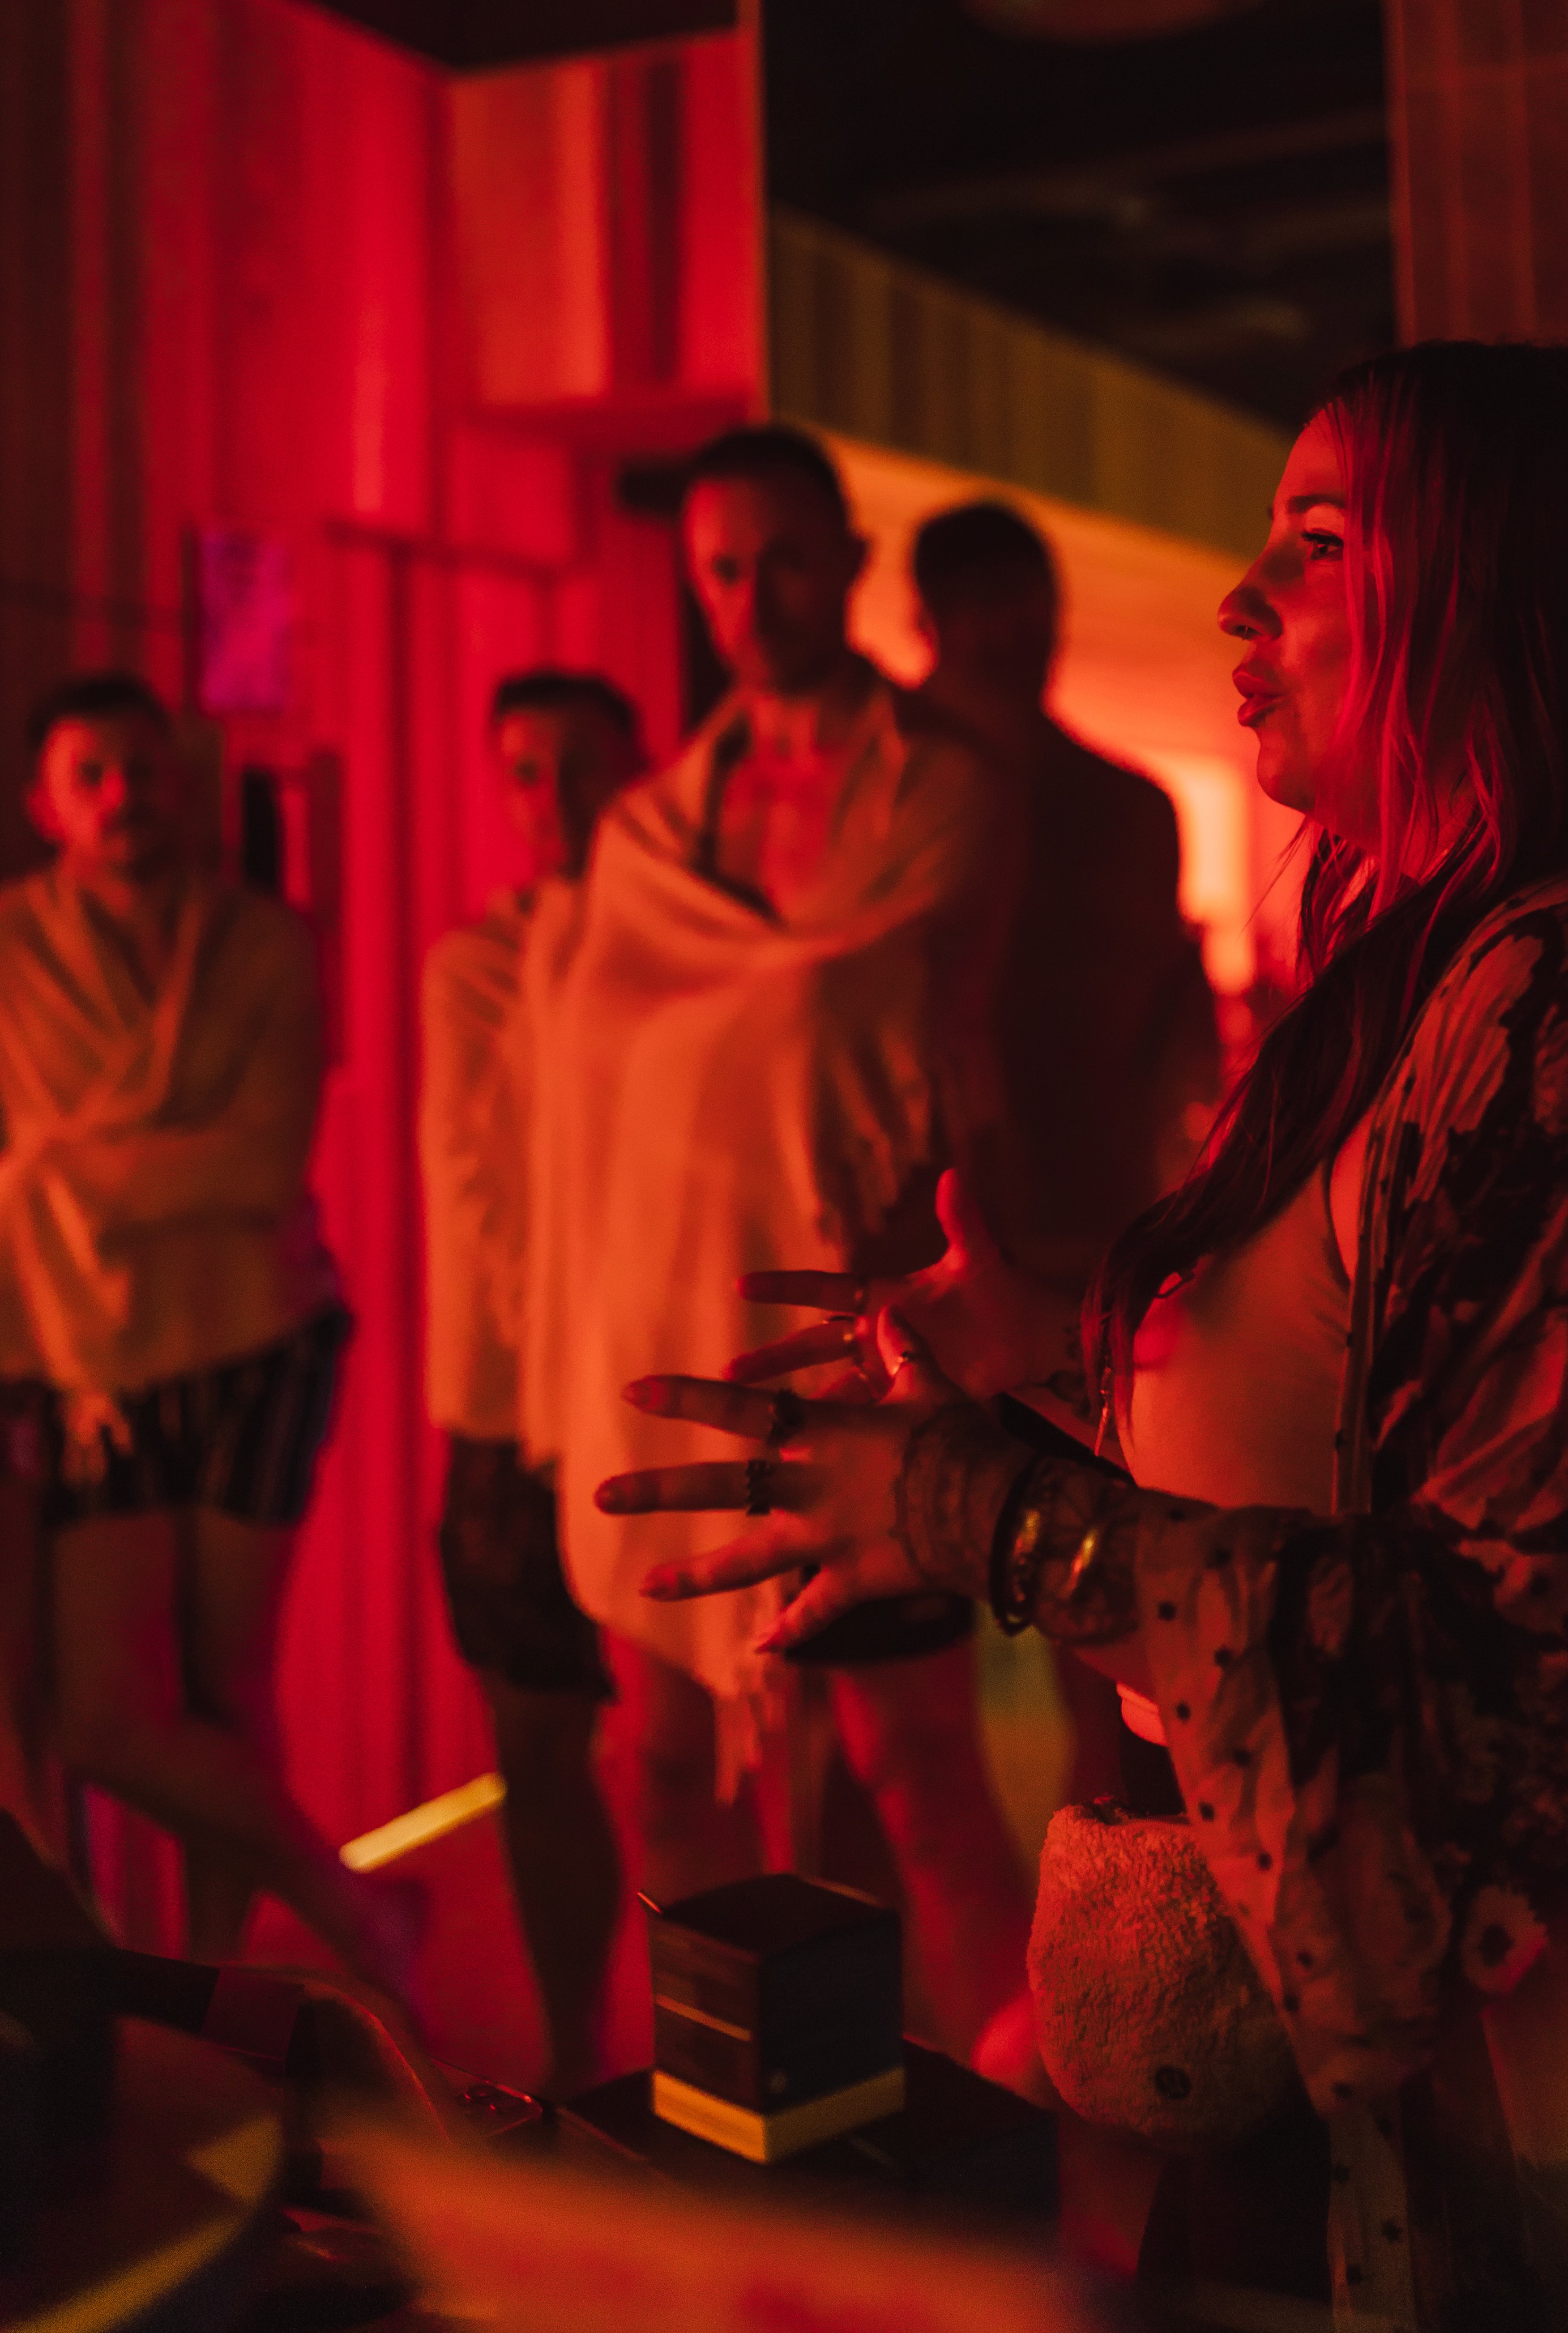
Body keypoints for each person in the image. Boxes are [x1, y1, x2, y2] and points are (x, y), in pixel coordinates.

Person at [599, 344, 1568, 2327]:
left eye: (1314, 540)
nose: (1234, 597)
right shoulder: (1460, 956)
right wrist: (1054, 1344)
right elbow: (1366, 1411)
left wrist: (990, 1518)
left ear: (1504, 596)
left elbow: (1502, 1718)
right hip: (1371, 2109)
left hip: (1535, 2173)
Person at [526, 425, 1032, 2058]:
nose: (754, 598)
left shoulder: (940, 792)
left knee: (914, 1777)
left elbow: (900, 1024)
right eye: (722, 571)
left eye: (786, 558)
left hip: (857, 1353)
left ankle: (1040, 2178)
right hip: (657, 1345)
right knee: (655, 1765)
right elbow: (590, 1104)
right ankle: (736, 2130)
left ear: (852, 560)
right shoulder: (653, 832)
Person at [0, 672, 416, 1995]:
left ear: (183, 780)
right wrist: (67, 1171)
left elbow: (257, 1167)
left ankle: (224, 1992)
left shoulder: (264, 943)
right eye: (93, 775)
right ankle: (340, 1900)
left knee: (234, 1687)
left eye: (144, 766)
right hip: (90, 1362)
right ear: (44, 806)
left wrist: (65, 1171)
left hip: (259, 1336)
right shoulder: (8, 953)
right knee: (107, 1716)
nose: (125, 795)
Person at [911, 501, 1220, 1828]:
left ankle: (1110, 1906)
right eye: (988, 610)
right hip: (921, 1245)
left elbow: (1165, 1039)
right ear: (936, 622)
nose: (1013, 638)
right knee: (897, 1676)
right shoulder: (877, 802)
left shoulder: (1122, 814)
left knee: (1108, 1617)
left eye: (1027, 609)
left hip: (1094, 1240)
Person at [421, 668, 642, 2100]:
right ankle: (577, 2056)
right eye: (522, 770)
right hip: (510, 1408)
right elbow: (470, 1184)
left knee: (700, 1751)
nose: (551, 799)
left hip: (640, 1383)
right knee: (538, 1743)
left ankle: (739, 2073)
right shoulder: (473, 968)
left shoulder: (677, 947)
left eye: (579, 767)